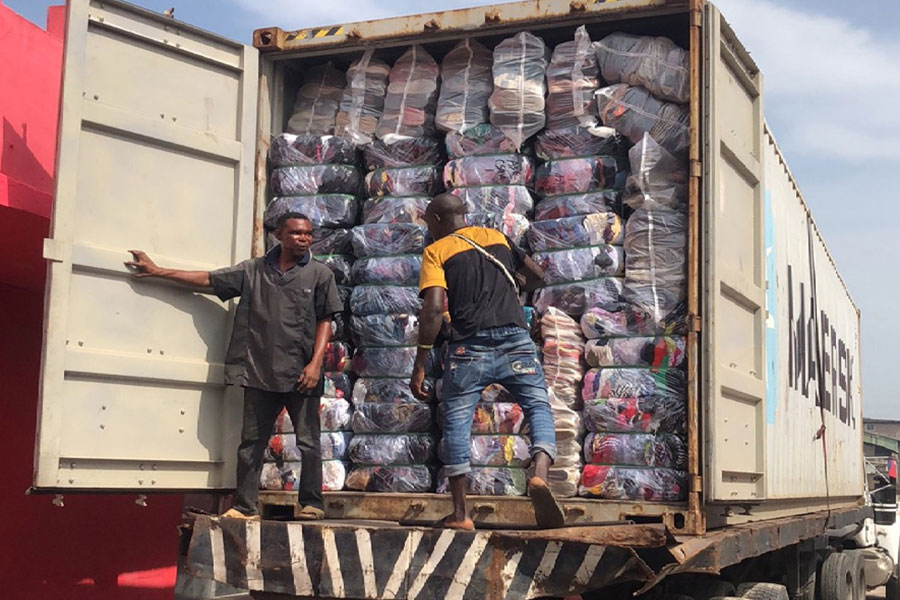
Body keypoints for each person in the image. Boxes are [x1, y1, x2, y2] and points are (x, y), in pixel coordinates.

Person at [125, 212, 342, 521]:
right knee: (250, 444)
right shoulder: (253, 271)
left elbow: (326, 320)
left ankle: (312, 503)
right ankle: (245, 506)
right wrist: (158, 271)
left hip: (301, 373)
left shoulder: (320, 274)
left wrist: (316, 364)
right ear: (279, 236)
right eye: (296, 234)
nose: (304, 239)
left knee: (308, 442)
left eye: (308, 234)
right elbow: (209, 280)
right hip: (257, 370)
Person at [410, 193, 565, 530]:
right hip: (516, 341)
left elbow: (434, 309)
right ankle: (539, 475)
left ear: (436, 219)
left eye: (427, 223)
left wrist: (421, 361)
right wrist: (517, 284)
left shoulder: (436, 251)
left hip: (469, 349)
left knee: (456, 423)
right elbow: (538, 274)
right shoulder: (496, 237)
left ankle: (461, 514)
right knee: (538, 407)